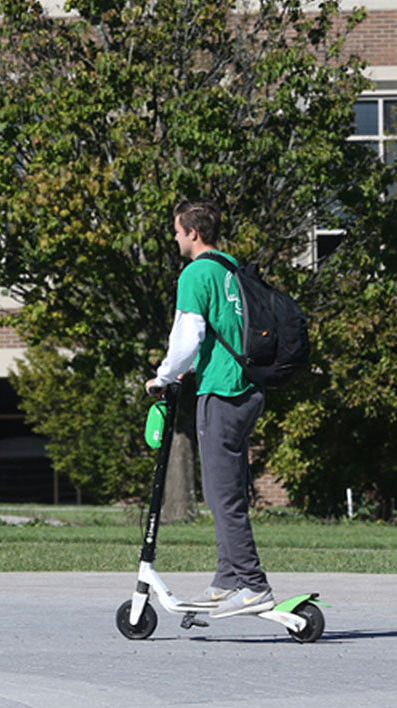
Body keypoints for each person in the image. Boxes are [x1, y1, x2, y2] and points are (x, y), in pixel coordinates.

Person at [144, 198, 273, 619]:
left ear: (193, 232)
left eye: (178, 231)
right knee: (229, 489)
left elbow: (187, 335)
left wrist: (164, 376)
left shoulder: (197, 273)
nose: (176, 238)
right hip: (248, 389)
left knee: (221, 495)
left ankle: (253, 585)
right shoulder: (230, 269)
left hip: (222, 393)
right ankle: (226, 580)